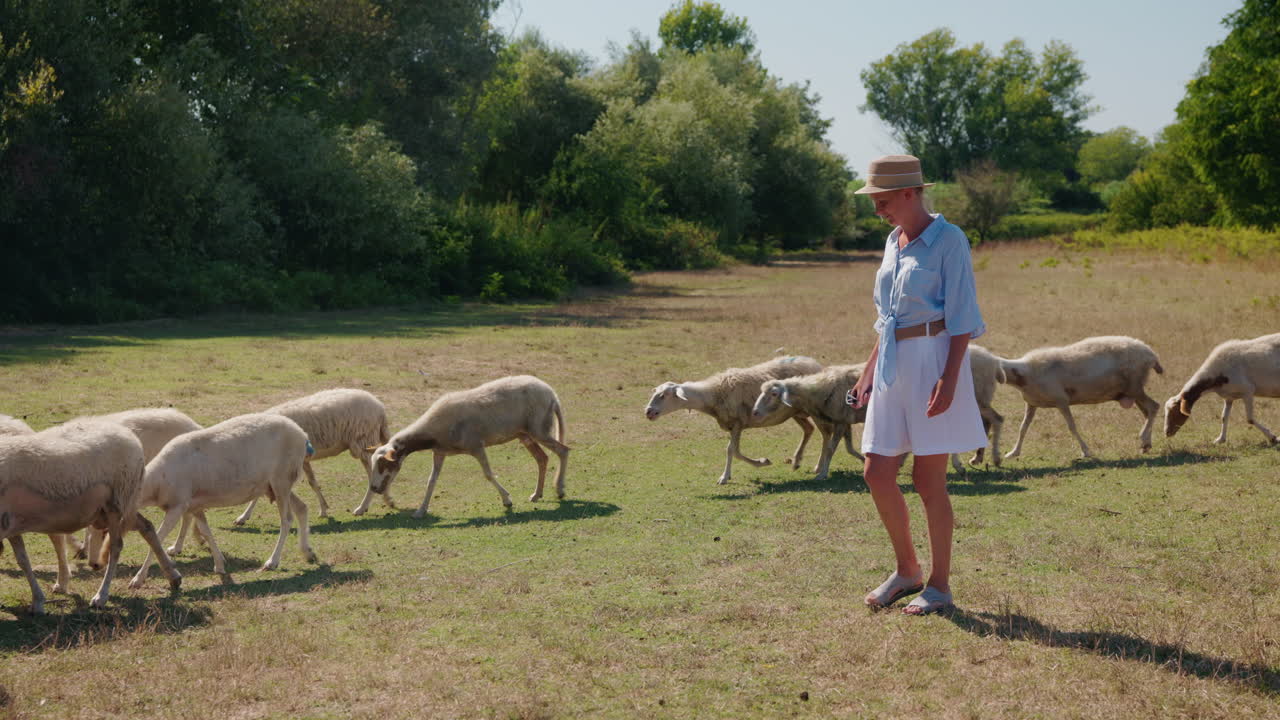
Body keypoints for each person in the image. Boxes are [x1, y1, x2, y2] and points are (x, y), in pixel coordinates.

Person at [847, 154, 987, 615]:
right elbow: (885, 319)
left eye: (883, 201)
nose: (878, 210)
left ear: (911, 193)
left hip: (933, 360)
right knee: (876, 472)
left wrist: (949, 379)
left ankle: (940, 586)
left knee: (928, 480)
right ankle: (907, 570)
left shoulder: (949, 240)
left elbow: (963, 317)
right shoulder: (893, 241)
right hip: (891, 362)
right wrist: (868, 373)